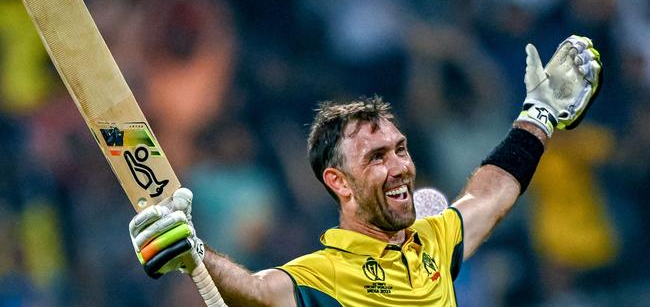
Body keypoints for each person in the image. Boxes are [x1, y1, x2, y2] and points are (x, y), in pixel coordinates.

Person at [128, 35, 602, 306]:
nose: (399, 167)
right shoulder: (325, 275)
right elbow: (256, 291)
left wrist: (538, 116)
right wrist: (194, 254)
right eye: (376, 157)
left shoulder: (434, 242)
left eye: (400, 149)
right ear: (338, 182)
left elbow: (490, 194)